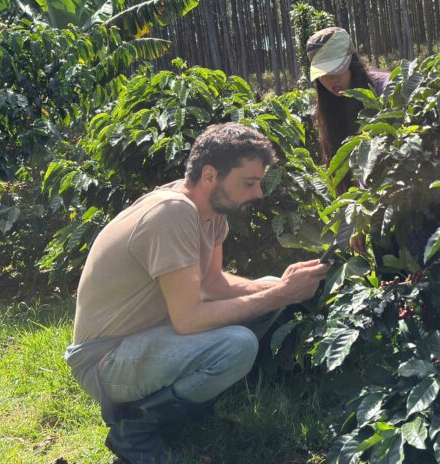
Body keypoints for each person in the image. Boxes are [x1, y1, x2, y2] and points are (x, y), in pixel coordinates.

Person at [64, 123, 329, 464]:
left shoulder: (210, 212)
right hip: (105, 361)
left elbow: (213, 283)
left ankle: (184, 416)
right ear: (209, 175)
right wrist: (280, 295)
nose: (258, 193)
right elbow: (188, 320)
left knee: (268, 285)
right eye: (249, 182)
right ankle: (135, 429)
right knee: (237, 345)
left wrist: (282, 285)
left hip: (144, 341)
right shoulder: (172, 213)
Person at [306, 26, 390, 166]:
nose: (332, 78)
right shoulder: (329, 106)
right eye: (324, 73)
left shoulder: (385, 88)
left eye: (337, 68)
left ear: (351, 63)